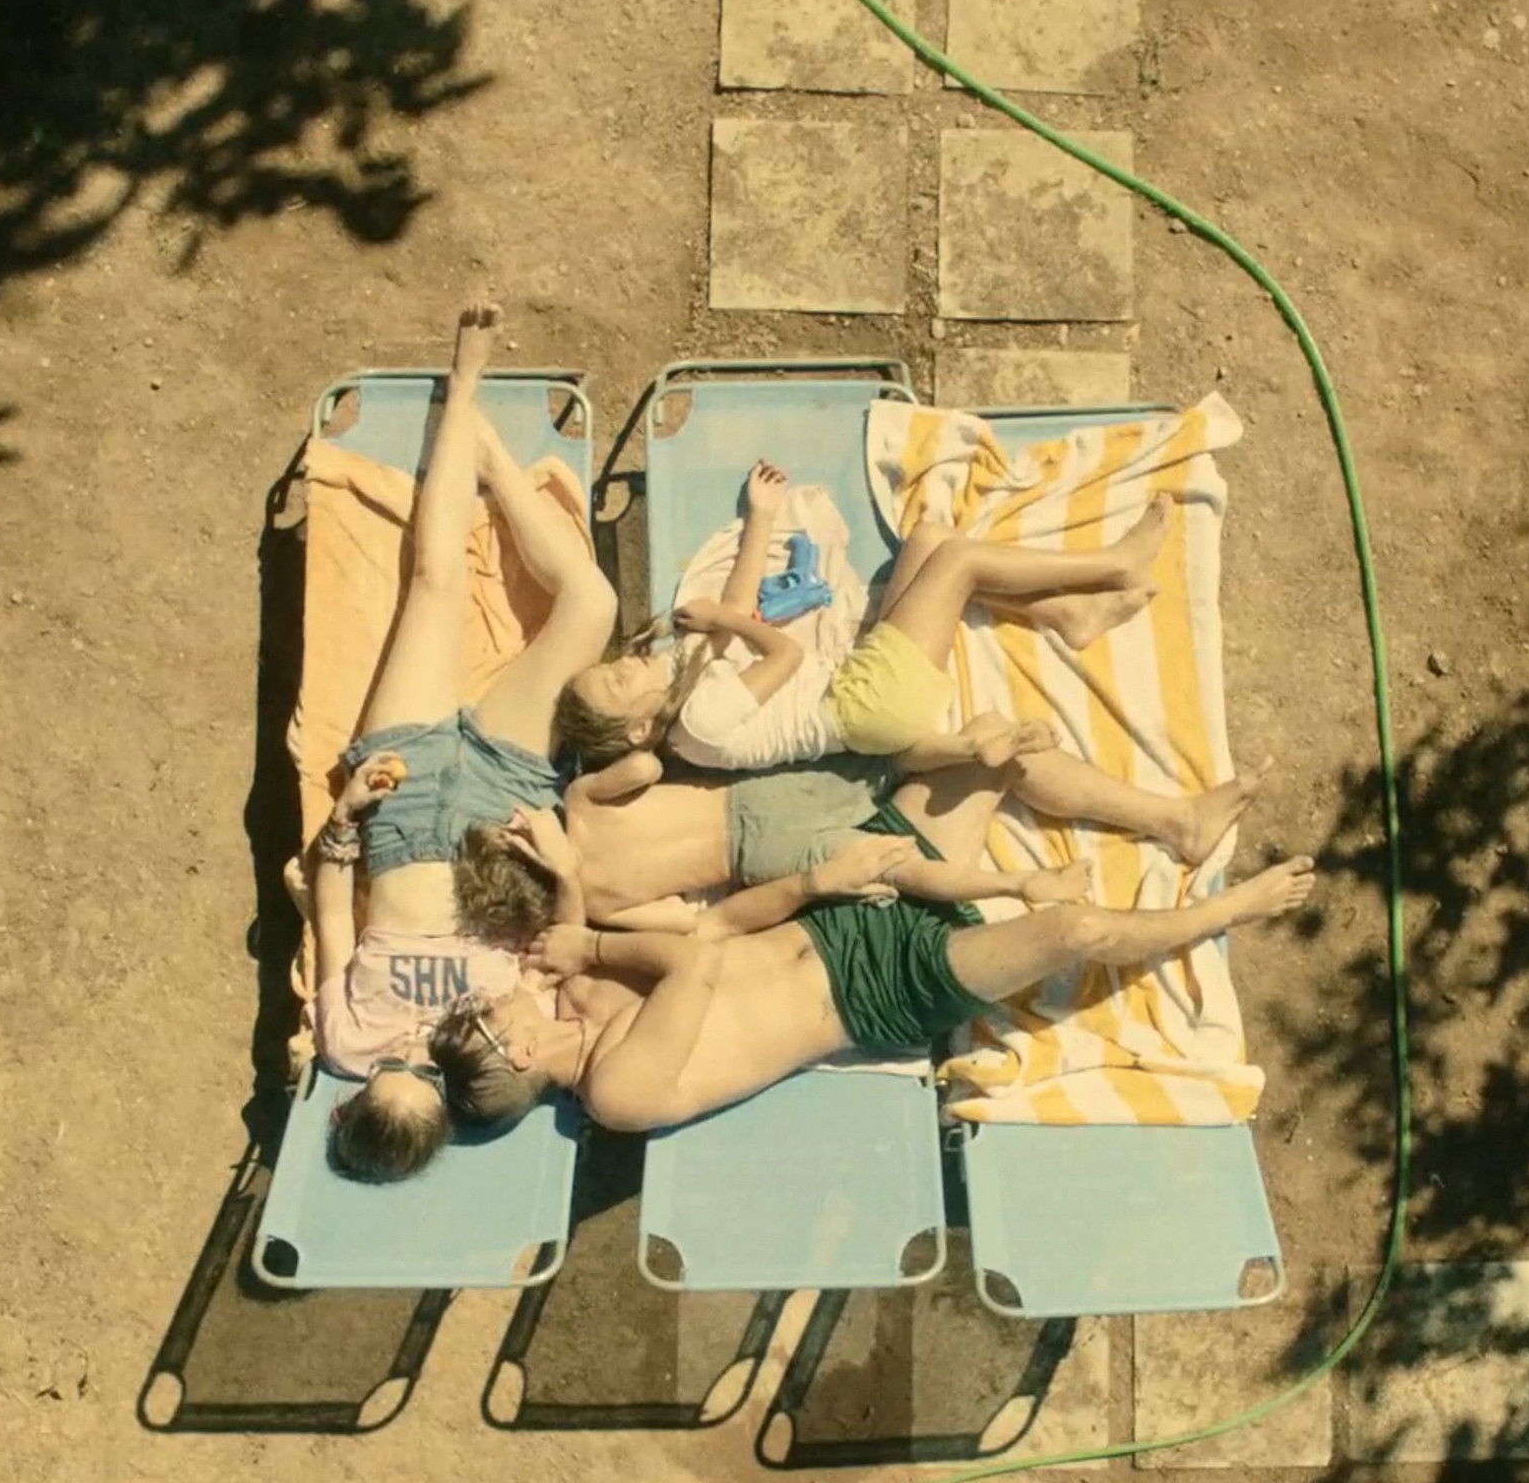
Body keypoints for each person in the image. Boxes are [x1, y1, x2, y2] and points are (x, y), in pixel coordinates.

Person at [431, 768, 1317, 1132]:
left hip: (837, 916)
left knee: (996, 754)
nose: (494, 994)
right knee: (1075, 931)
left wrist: (822, 879)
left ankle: (1178, 822)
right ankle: (1224, 912)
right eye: (485, 1012)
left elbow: (719, 929)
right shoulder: (615, 1093)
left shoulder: (576, 1000)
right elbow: (691, 962)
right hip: (884, 991)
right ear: (516, 1052)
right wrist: (590, 942)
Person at [307, 300, 616, 1181]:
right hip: (496, 821)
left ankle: (465, 382)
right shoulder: (490, 1066)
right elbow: (560, 953)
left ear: (352, 1095)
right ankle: (491, 461)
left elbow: (334, 913)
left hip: (398, 806)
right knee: (590, 607)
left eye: (393, 1070)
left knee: (436, 583)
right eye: (428, 1076)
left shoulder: (345, 1041)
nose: (413, 1052)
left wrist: (345, 818)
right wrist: (563, 869)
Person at [554, 464, 1173, 773]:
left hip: (856, 677)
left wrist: (762, 515)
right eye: (617, 682)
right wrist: (719, 615)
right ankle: (1114, 562)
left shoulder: (683, 683)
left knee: (930, 539)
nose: (626, 663)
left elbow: (735, 612)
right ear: (638, 730)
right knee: (956, 562)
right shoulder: (698, 720)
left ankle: (1066, 614)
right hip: (870, 706)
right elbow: (784, 654)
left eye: (613, 665)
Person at [561, 740, 1270, 920]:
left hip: (751, 856)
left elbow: (690, 922)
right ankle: (1175, 820)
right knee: (948, 754)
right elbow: (646, 766)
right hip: (750, 801)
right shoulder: (579, 803)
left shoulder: (594, 904)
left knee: (896, 865)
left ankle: (1018, 883)